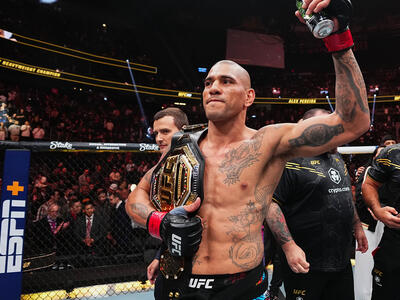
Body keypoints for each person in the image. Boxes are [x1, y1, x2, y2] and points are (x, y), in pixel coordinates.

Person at [127, 1, 370, 298]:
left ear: (249, 96)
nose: (213, 88)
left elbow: (353, 122)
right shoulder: (182, 146)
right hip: (176, 282)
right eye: (208, 82)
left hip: (239, 285)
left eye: (226, 81)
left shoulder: (267, 143)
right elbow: (136, 196)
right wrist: (159, 222)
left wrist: (339, 38)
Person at [266, 108, 368, 300]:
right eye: (325, 127)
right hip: (306, 262)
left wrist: (357, 226)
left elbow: (344, 194)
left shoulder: (336, 158)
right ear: (306, 128)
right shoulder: (289, 161)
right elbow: (271, 204)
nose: (333, 132)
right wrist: (289, 246)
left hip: (341, 260)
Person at [126, 107, 189, 284]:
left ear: (183, 131)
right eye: (156, 133)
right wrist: (159, 256)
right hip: (173, 256)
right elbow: (173, 223)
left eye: (166, 132)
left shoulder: (202, 162)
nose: (159, 138)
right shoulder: (162, 167)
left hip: (205, 262)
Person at [353, 134, 396, 300]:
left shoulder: (392, 176)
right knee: (365, 272)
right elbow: (360, 198)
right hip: (368, 227)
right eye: (382, 152)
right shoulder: (368, 174)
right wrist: (376, 209)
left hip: (386, 228)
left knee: (383, 270)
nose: (386, 154)